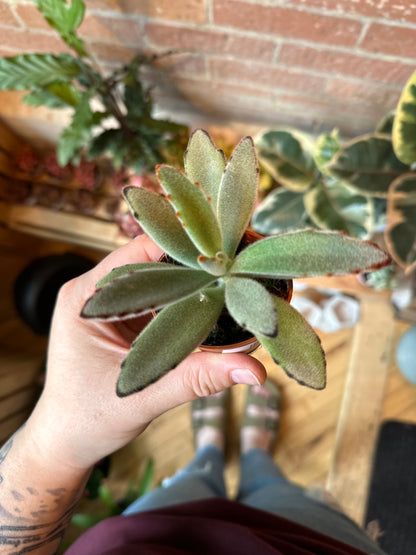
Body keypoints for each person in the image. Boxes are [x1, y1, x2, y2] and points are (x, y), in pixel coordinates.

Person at [0, 234, 385, 555]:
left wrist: (53, 448)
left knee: (195, 481)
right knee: (274, 488)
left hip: (146, 534)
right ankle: (254, 451)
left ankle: (210, 450)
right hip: (300, 543)